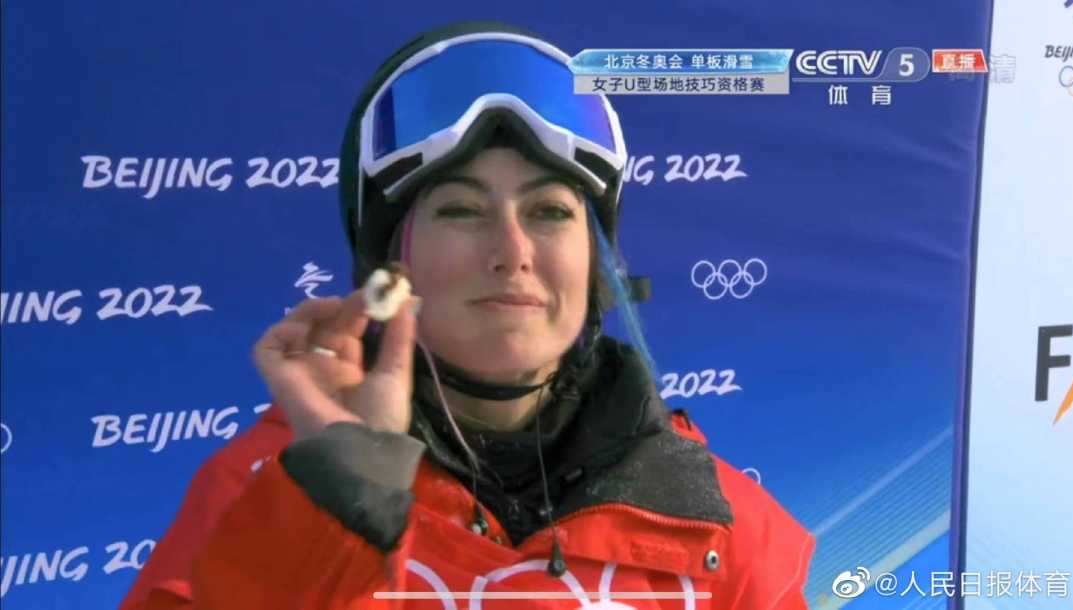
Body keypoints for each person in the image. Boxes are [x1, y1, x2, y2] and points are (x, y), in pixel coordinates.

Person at [121, 21, 814, 610]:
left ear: (595, 264)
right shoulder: (267, 485)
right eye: (461, 210)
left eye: (549, 212)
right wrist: (332, 509)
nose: (512, 253)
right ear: (390, 269)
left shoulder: (723, 527)